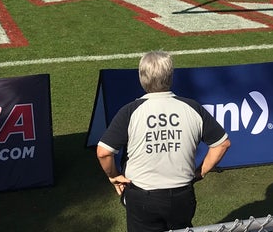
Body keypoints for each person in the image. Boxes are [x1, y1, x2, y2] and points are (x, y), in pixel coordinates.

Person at [96, 50, 231, 232]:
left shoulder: (130, 111)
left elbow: (104, 152)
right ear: (170, 76)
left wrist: (114, 176)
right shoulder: (193, 108)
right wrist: (200, 172)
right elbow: (222, 144)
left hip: (143, 196)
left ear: (141, 78)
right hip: (182, 194)